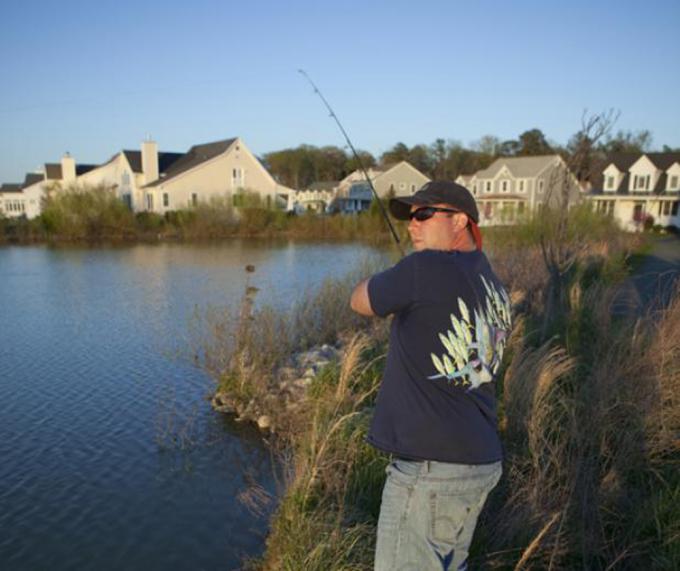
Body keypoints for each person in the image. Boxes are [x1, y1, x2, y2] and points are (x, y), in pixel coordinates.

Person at [350, 180, 511, 571]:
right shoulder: (493, 283)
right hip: (478, 461)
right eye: (409, 217)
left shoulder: (423, 267)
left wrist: (402, 272)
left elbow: (360, 301)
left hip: (430, 473)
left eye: (423, 214)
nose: (412, 225)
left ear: (459, 220)